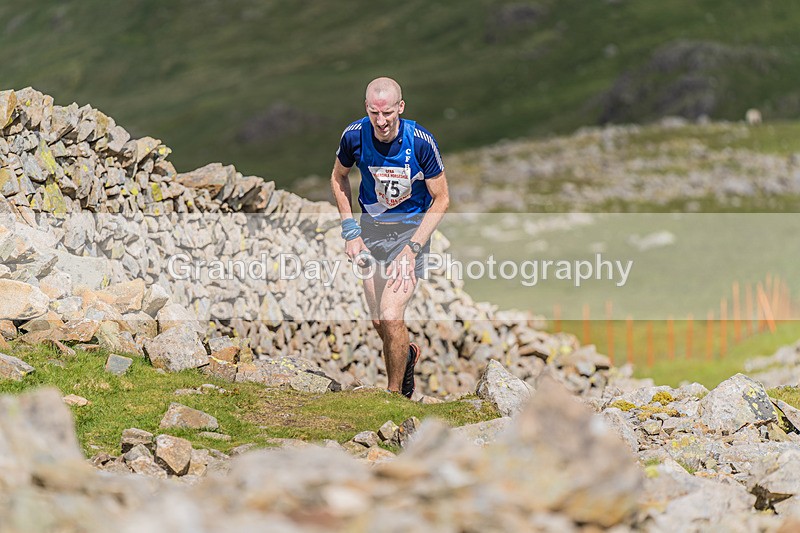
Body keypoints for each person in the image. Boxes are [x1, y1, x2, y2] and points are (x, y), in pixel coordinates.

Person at [330, 77, 450, 398]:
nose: (381, 121)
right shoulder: (354, 136)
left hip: (410, 234)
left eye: (387, 113)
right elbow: (339, 177)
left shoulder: (421, 142)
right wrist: (350, 231)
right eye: (374, 113)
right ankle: (406, 354)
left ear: (401, 107)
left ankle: (394, 395)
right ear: (366, 108)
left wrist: (412, 249)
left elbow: (441, 199)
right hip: (371, 234)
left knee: (391, 315)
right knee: (379, 322)